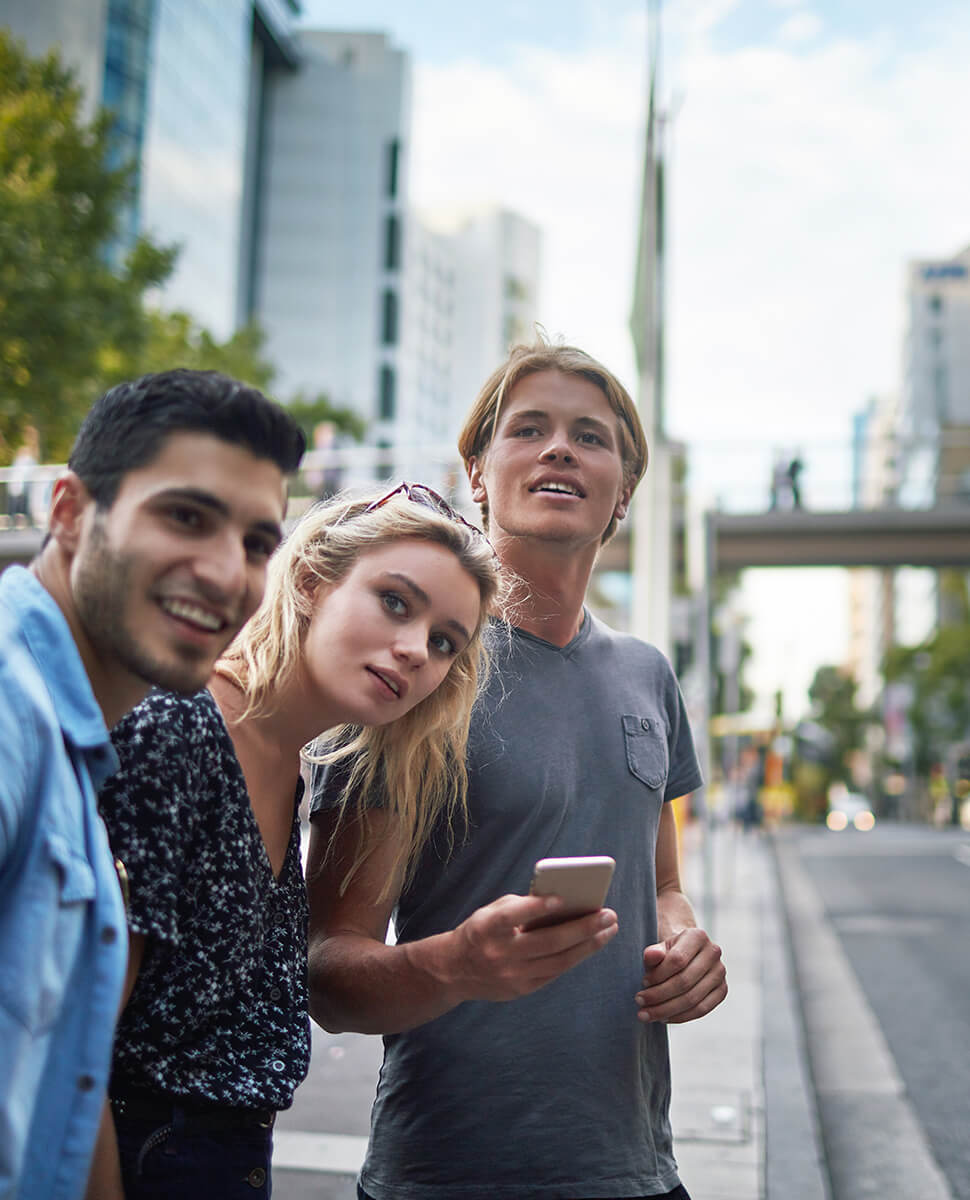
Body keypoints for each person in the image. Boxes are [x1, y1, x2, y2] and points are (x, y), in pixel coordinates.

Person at [307, 339, 728, 1200]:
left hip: (638, 1172)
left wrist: (685, 943)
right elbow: (327, 971)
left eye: (590, 436)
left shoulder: (648, 673)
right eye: (527, 428)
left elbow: (664, 883)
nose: (559, 448)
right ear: (477, 472)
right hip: (446, 1176)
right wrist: (452, 966)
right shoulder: (419, 670)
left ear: (624, 494)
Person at [91, 484, 504, 1199]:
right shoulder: (181, 730)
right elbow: (73, 1049)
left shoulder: (287, 769)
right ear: (312, 581)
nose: (414, 651)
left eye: (444, 642)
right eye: (395, 602)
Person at [0, 369, 305, 1200]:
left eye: (255, 544)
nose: (224, 572)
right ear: (68, 513)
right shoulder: (10, 705)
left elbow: (64, 1079)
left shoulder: (75, 744)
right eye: (186, 516)